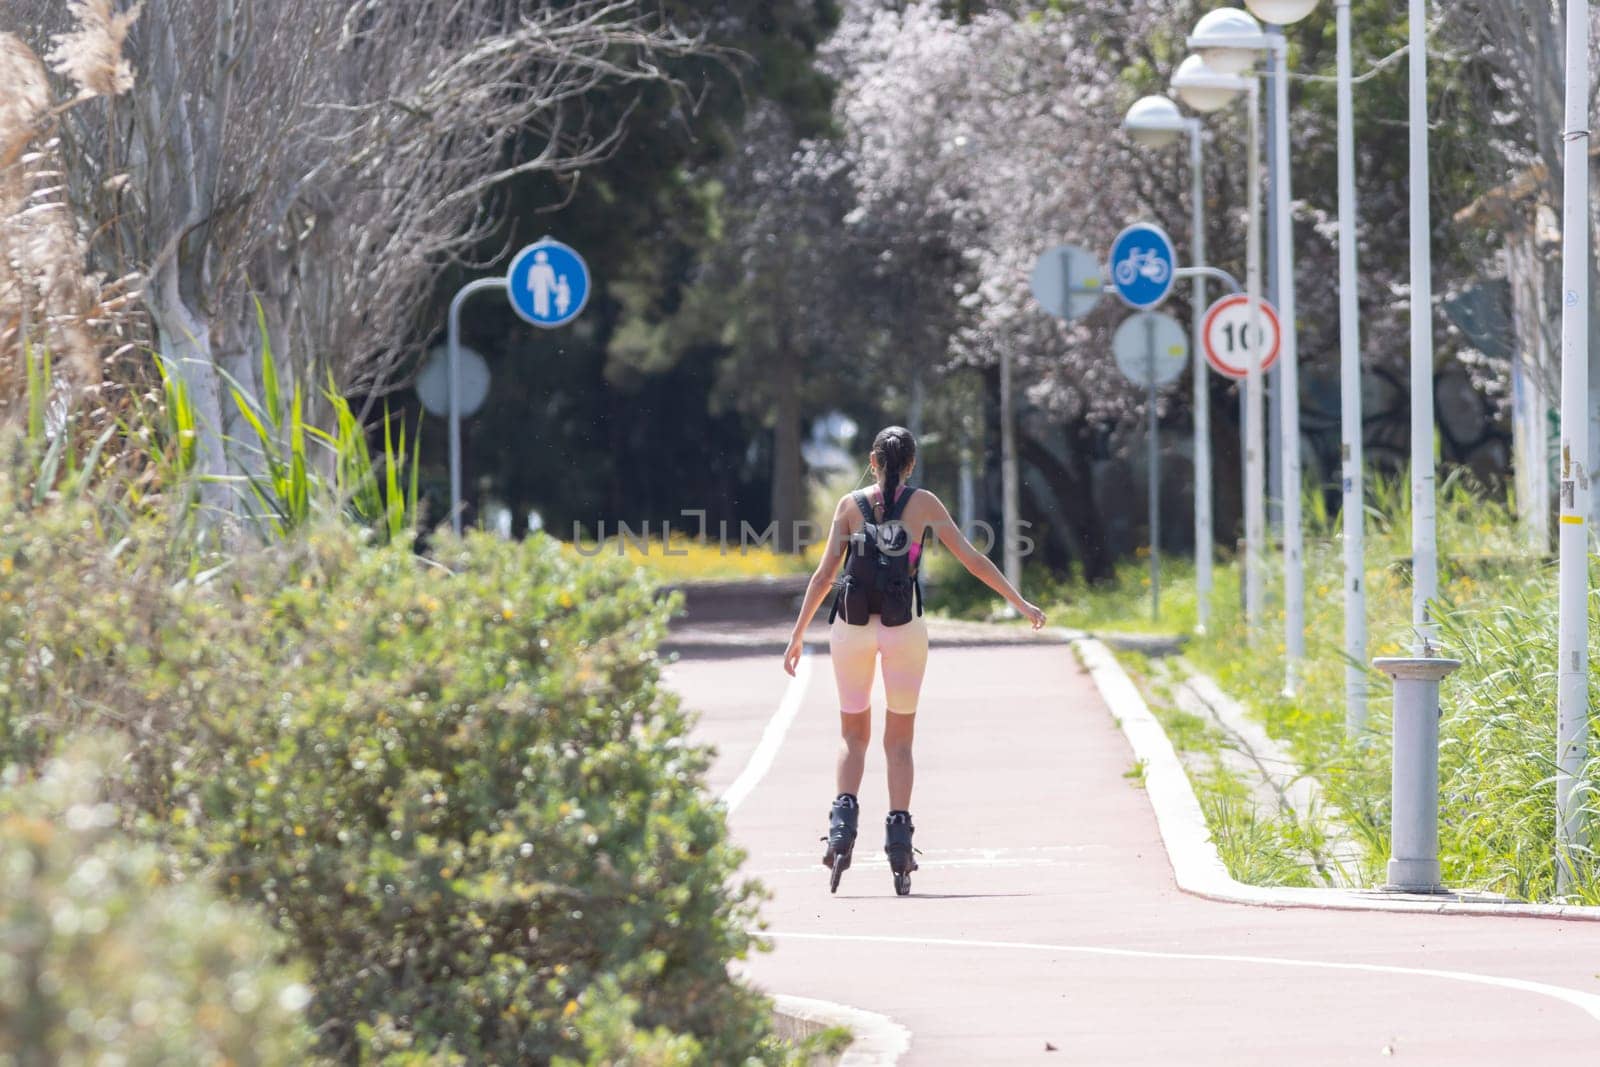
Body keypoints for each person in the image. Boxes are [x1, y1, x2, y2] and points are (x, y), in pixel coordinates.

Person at [782, 426, 1046, 894]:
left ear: (872, 458)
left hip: (852, 628)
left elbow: (825, 575)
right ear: (910, 465)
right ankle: (899, 842)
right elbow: (973, 560)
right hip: (905, 630)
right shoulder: (924, 505)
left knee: (852, 734)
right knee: (899, 741)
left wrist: (798, 635)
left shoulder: (848, 506)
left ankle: (842, 829)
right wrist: (1021, 604)